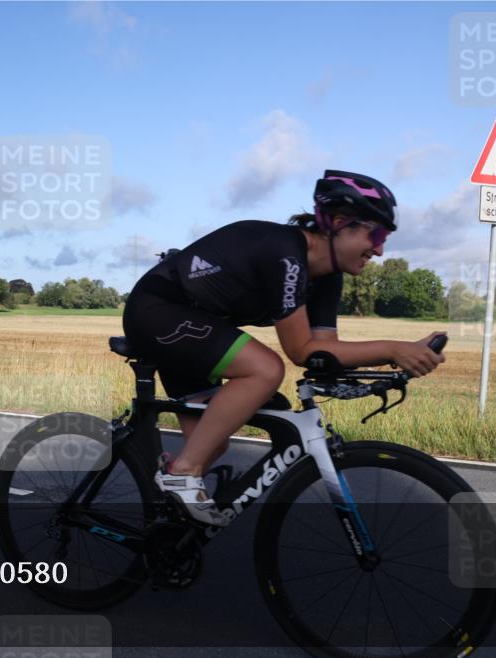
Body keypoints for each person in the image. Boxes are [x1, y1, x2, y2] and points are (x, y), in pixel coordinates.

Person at [121, 170, 446, 526]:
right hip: (157, 312)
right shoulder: (285, 254)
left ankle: (163, 525)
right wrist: (392, 348)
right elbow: (300, 350)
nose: (381, 250)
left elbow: (323, 353)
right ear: (339, 223)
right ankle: (181, 472)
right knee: (265, 369)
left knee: (213, 442)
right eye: (378, 234)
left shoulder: (327, 278)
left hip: (197, 332)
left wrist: (394, 357)